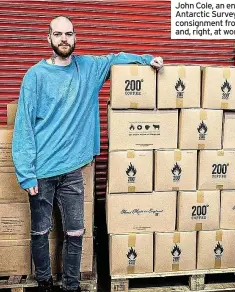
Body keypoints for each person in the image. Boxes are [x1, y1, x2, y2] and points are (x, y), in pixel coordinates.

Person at [12, 16, 163, 292]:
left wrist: (147, 59)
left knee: (75, 232)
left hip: (72, 170)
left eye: (68, 33)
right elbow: (23, 126)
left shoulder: (88, 68)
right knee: (40, 232)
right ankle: (45, 282)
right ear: (48, 39)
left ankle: (71, 285)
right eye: (57, 34)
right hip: (41, 171)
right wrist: (26, 173)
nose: (64, 39)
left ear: (75, 37)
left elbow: (116, 58)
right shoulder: (35, 76)